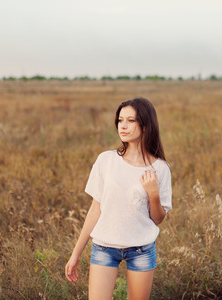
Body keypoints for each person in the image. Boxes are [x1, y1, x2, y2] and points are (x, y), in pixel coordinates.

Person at [65, 97, 172, 299]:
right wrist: (76, 254)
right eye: (120, 120)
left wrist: (154, 194)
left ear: (146, 126)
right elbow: (96, 209)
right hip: (104, 247)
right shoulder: (106, 160)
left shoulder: (160, 169)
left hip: (141, 249)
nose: (123, 126)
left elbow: (158, 218)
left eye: (131, 121)